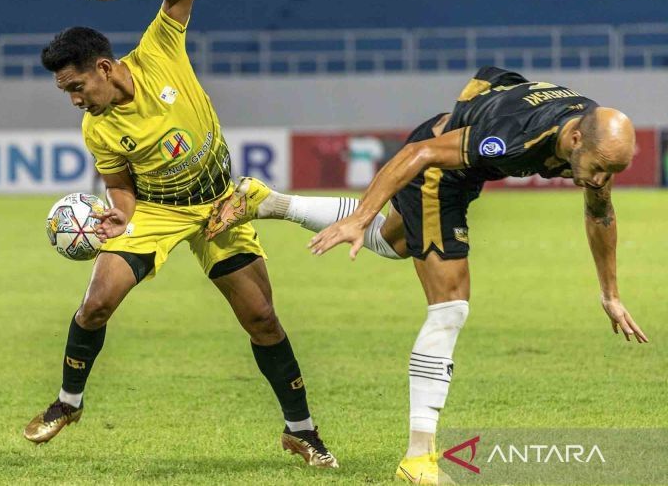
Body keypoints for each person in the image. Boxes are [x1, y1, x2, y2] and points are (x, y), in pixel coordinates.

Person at [206, 66, 649, 484]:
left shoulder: (595, 139)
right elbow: (417, 154)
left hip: (464, 155)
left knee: (395, 243)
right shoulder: (513, 139)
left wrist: (609, 293)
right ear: (574, 138)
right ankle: (419, 456)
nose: (601, 178)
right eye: (598, 167)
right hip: (439, 172)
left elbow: (599, 210)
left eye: (612, 171)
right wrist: (361, 215)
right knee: (450, 307)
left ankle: (268, 202)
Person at [23, 0, 338, 469]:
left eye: (77, 86)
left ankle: (301, 431)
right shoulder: (96, 128)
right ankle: (68, 401)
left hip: (221, 206)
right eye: (67, 92)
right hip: (157, 212)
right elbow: (121, 186)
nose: (76, 99)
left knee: (262, 319)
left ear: (104, 67)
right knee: (97, 303)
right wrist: (119, 220)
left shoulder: (157, 53)